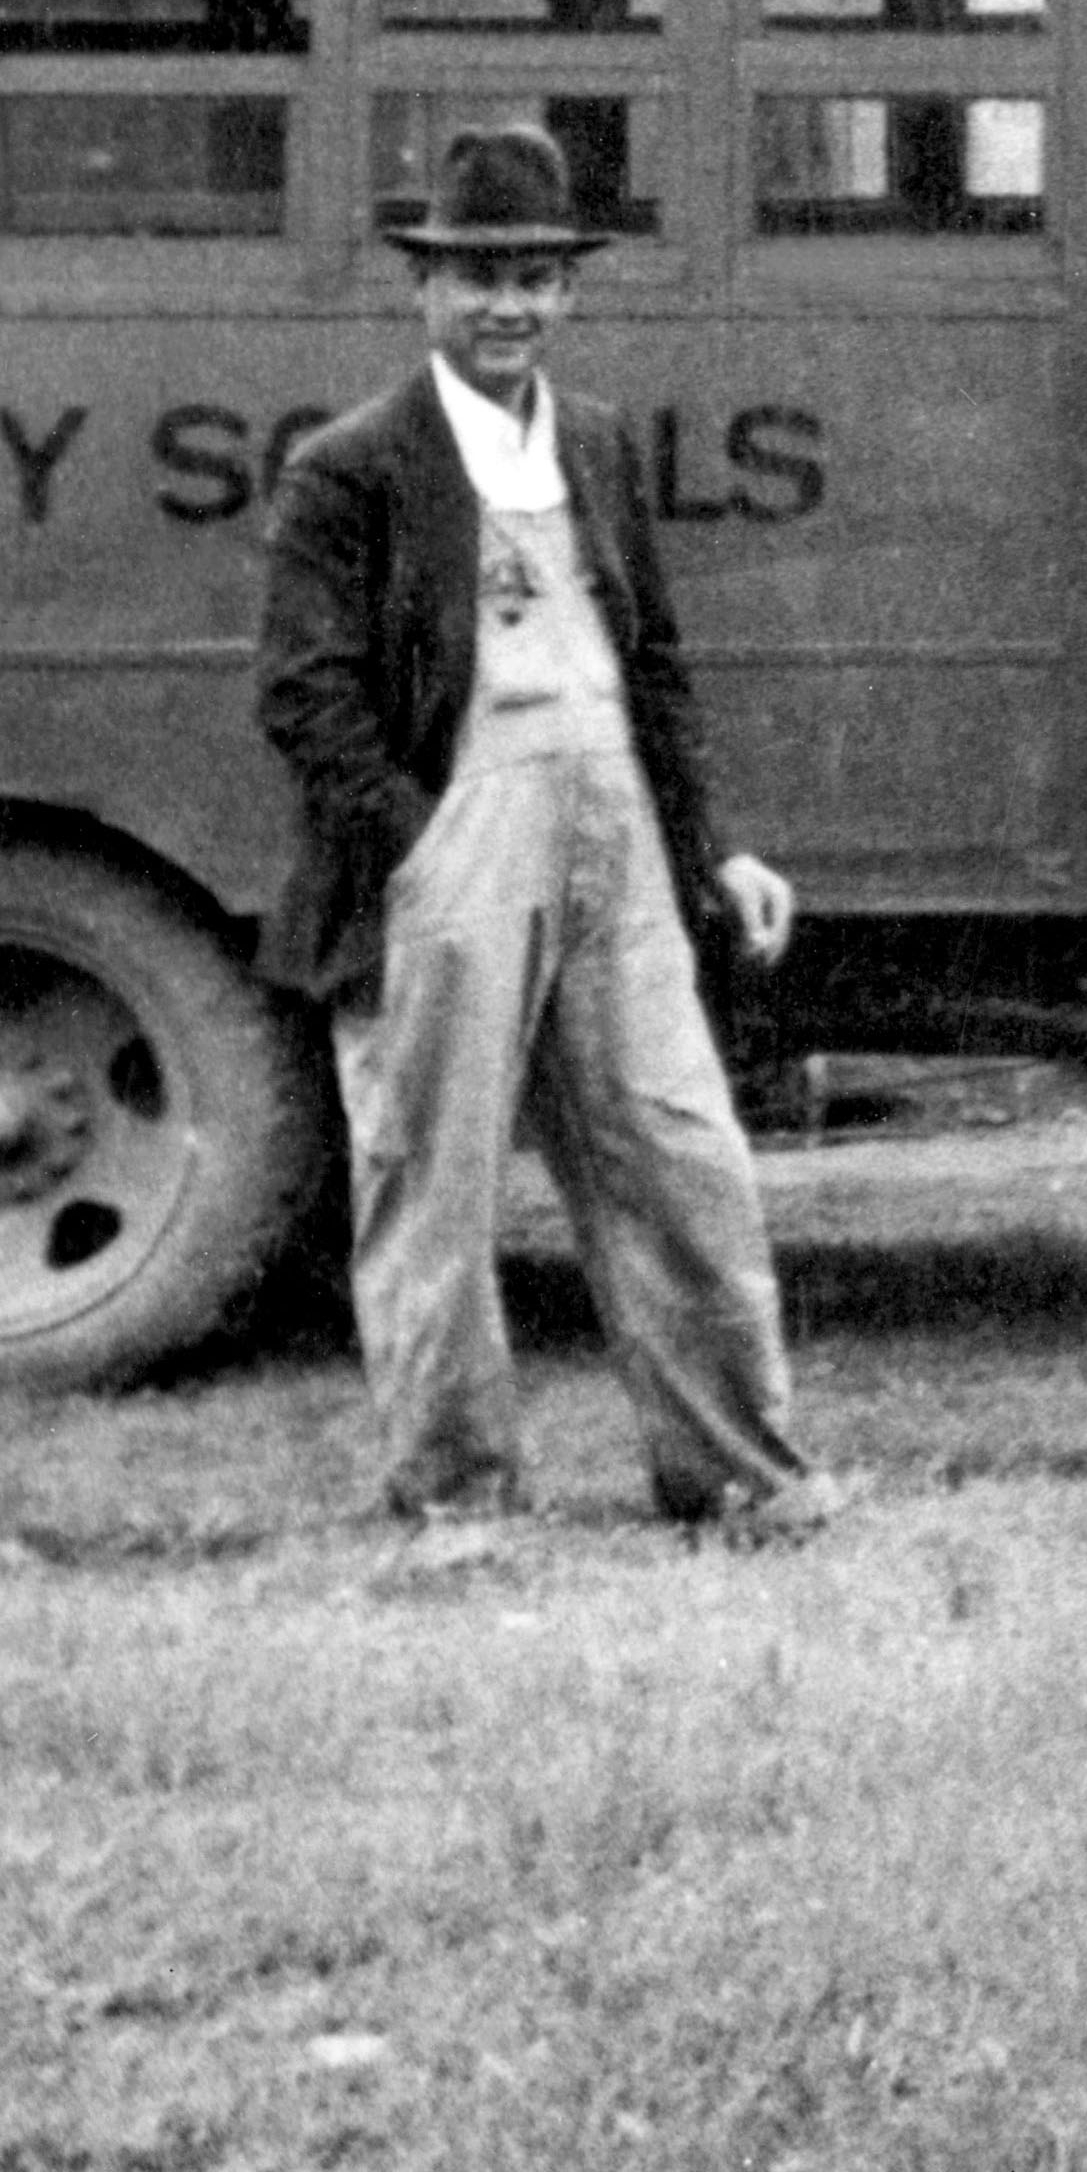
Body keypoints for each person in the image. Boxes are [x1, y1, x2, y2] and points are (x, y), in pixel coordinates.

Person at [256, 122, 835, 1538]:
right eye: (477, 278)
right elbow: (304, 690)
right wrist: (421, 839)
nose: (507, 304)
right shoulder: (354, 466)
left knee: (679, 1157)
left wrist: (709, 850)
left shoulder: (591, 444)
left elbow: (657, 668)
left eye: (533, 277)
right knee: (433, 1190)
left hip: (613, 835)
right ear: (424, 291)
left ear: (568, 292)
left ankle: (738, 1479)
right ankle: (460, 1497)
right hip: (449, 853)